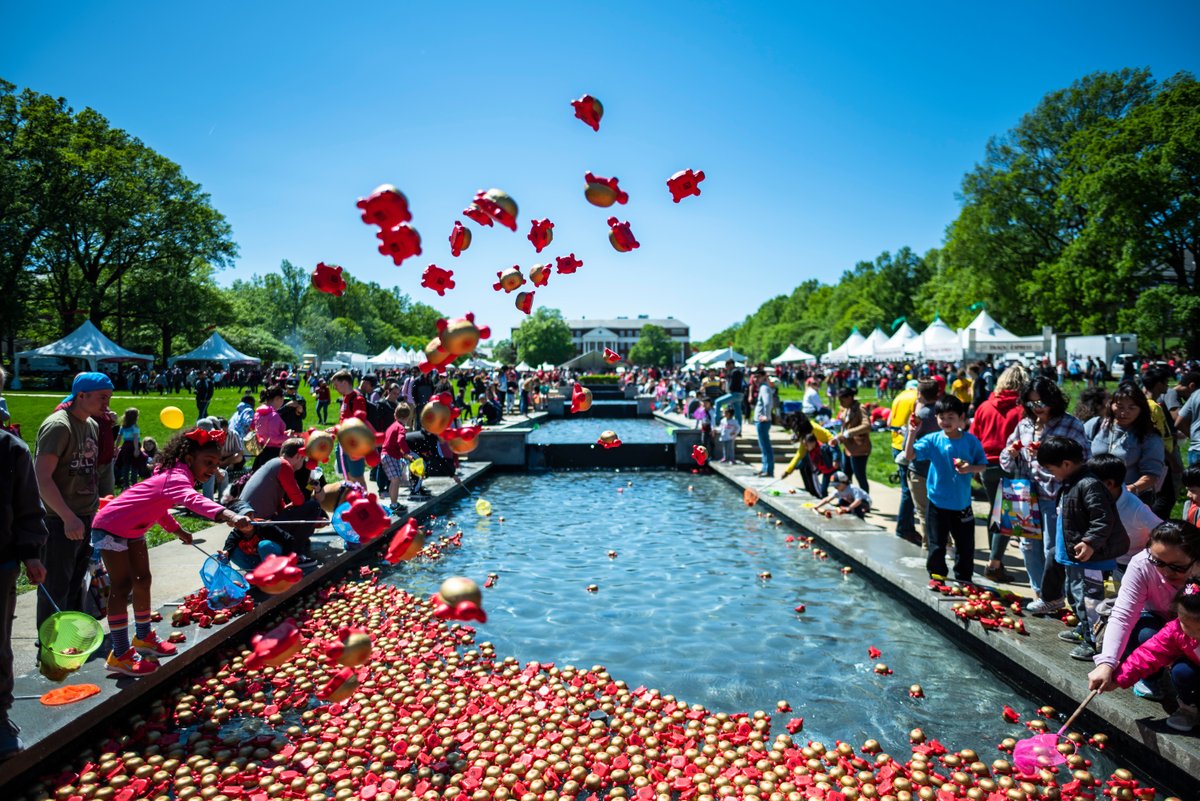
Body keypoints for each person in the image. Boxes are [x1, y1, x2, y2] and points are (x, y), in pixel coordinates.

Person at [90, 428, 253, 675]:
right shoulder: (177, 477)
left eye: (217, 463)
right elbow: (192, 499)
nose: (212, 469)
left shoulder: (175, 475)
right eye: (207, 462)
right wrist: (228, 513)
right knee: (122, 587)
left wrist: (178, 531)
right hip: (111, 526)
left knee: (143, 580)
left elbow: (159, 507)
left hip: (133, 529)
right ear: (189, 459)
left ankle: (143, 637)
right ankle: (120, 653)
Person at [1037, 436, 1129, 660]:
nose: (1051, 474)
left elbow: (1102, 519)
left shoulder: (1088, 484)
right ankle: (1083, 629)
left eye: (1051, 468)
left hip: (1091, 559)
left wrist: (1089, 542)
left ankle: (1094, 643)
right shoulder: (1072, 482)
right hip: (1075, 557)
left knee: (1090, 602)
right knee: (1074, 595)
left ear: (1066, 464)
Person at [34, 372, 111, 632]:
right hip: (59, 521)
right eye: (102, 397)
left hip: (84, 517)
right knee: (55, 587)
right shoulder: (59, 426)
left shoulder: (92, 425)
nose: (107, 404)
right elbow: (41, 478)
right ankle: (48, 645)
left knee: (77, 582)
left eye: (108, 398)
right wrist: (67, 517)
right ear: (81, 395)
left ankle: (71, 637)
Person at [1088, 521, 1200, 702]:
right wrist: (1107, 663)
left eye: (1177, 567)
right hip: (1166, 631)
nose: (1164, 572)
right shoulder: (1141, 564)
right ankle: (1153, 679)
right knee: (1146, 634)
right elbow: (1123, 615)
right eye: (1157, 562)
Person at [0, 366, 48, 760]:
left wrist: (31, 552)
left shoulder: (11, 449)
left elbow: (28, 509)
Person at [904, 395, 987, 582]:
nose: (946, 421)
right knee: (936, 544)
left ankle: (964, 578)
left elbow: (982, 464)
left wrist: (970, 468)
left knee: (965, 545)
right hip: (937, 502)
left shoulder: (971, 441)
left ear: (962, 418)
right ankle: (937, 575)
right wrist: (911, 432)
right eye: (942, 417)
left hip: (962, 503)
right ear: (936, 418)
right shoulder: (932, 440)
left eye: (951, 417)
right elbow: (909, 456)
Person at [1107, 578, 1200, 731]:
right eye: (1184, 622)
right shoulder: (1176, 630)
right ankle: (1189, 710)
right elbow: (1149, 654)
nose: (1190, 632)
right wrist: (1118, 678)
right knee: (1182, 670)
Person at [226, 438, 324, 570]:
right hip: (260, 525)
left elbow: (278, 504)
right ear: (297, 456)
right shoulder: (284, 466)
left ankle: (288, 550)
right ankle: (296, 555)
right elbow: (299, 500)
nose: (304, 462)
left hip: (253, 524)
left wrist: (289, 507)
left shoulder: (273, 463)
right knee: (313, 506)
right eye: (303, 458)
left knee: (302, 511)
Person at [971, 366, 1026, 582]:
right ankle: (994, 564)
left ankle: (996, 560)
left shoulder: (984, 406)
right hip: (1010, 465)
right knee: (1007, 517)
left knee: (994, 512)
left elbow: (974, 437)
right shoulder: (1022, 410)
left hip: (986, 465)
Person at [1085, 382, 1165, 505]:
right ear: (1111, 405)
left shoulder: (1149, 437)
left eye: (1132, 408)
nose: (1124, 412)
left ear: (1141, 409)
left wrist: (1130, 490)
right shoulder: (1096, 425)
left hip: (1130, 499)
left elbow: (1151, 474)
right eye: (1120, 406)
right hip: (1093, 496)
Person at [1089, 453, 1163, 580]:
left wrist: (1150, 556)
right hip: (1105, 556)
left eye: (1090, 482)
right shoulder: (1094, 499)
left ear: (1109, 484)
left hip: (1130, 563)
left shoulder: (1135, 507)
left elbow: (1161, 530)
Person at [889, 380, 921, 543]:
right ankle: (903, 529)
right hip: (906, 445)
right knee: (909, 491)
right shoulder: (916, 398)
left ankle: (906, 527)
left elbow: (889, 422)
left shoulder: (898, 397)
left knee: (906, 489)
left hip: (895, 443)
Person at [830, 388, 871, 493]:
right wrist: (837, 438)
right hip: (848, 449)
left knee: (860, 476)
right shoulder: (847, 409)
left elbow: (866, 426)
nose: (841, 403)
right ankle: (848, 498)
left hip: (859, 449)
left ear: (849, 398)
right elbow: (845, 429)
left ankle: (864, 501)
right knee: (846, 476)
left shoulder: (860, 408)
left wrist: (848, 434)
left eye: (842, 400)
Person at [332, 370, 368, 482]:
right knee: (347, 477)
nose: (335, 388)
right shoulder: (345, 397)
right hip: (342, 442)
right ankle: (352, 498)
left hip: (354, 444)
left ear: (344, 383)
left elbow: (358, 424)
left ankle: (363, 499)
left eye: (336, 385)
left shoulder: (357, 399)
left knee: (357, 477)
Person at [381, 403, 414, 513]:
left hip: (385, 455)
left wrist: (402, 454)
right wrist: (407, 452)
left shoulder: (393, 425)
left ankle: (393, 502)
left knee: (393, 481)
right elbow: (400, 440)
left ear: (395, 415)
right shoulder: (400, 427)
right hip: (390, 456)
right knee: (396, 480)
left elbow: (391, 441)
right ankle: (394, 505)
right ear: (408, 417)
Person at [252, 387, 289, 471]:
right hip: (273, 453)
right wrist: (289, 438)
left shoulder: (258, 413)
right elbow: (273, 438)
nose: (283, 403)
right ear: (277, 399)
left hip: (261, 452)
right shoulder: (273, 415)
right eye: (282, 400)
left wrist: (284, 433)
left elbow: (264, 432)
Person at [752, 369, 775, 477]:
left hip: (762, 421)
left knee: (766, 446)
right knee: (763, 446)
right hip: (760, 420)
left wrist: (766, 416)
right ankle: (764, 468)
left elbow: (767, 403)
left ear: (763, 377)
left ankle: (768, 470)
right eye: (754, 377)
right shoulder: (762, 387)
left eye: (757, 377)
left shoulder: (764, 388)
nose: (755, 379)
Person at [114, 408, 141, 489]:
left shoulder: (123, 426)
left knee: (126, 465)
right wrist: (136, 449)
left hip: (125, 446)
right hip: (133, 446)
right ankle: (134, 483)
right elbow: (136, 438)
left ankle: (126, 484)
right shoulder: (135, 427)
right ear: (135, 417)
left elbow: (119, 437)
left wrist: (116, 447)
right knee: (134, 465)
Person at [714, 359, 746, 427]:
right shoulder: (739, 371)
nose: (727, 367)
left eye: (727, 365)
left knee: (717, 402)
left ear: (731, 364)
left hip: (734, 393)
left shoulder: (734, 372)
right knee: (738, 413)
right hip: (740, 394)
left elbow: (731, 385)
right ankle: (738, 429)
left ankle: (716, 422)